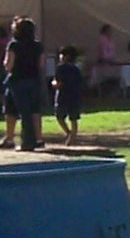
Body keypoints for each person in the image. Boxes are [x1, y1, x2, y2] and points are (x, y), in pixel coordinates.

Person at [5, 17, 42, 150]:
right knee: (30, 108)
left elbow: (9, 65)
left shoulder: (14, 44)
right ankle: (36, 138)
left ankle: (28, 142)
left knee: (24, 111)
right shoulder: (38, 45)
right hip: (33, 79)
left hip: (17, 80)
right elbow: (41, 64)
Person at [51, 46, 83, 146]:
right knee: (74, 118)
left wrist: (53, 83)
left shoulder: (60, 68)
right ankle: (73, 136)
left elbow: (58, 83)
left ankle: (68, 132)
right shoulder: (76, 69)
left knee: (59, 116)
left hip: (63, 95)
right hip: (75, 95)